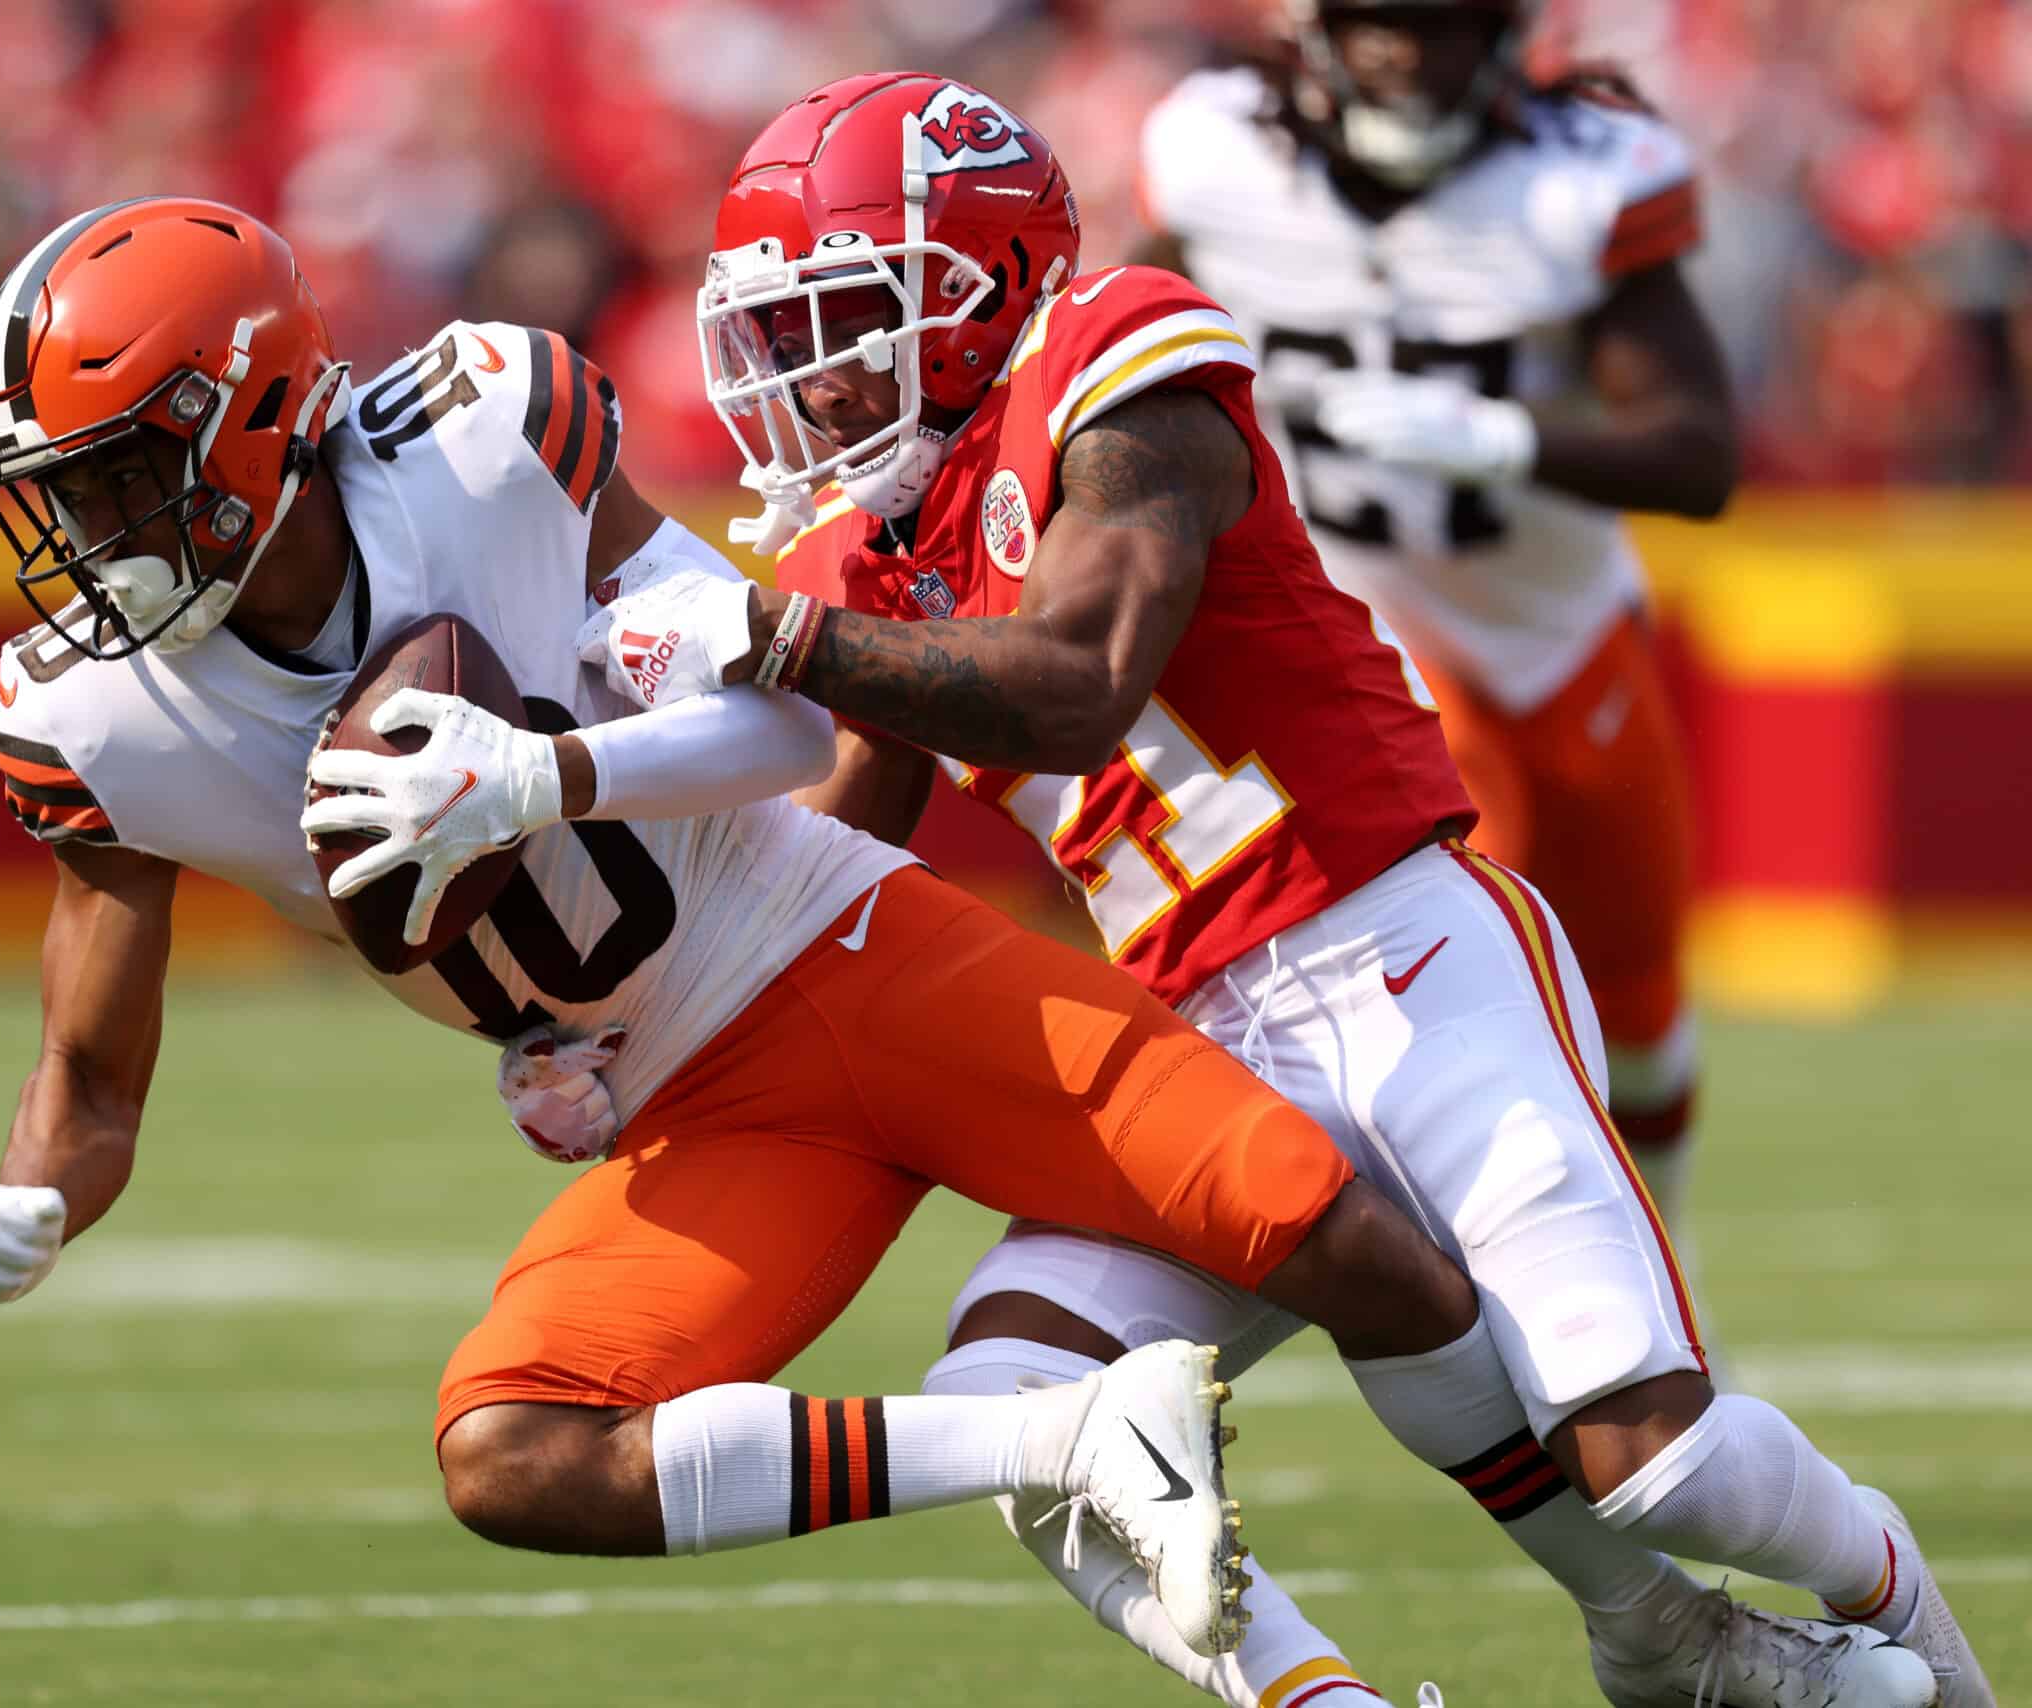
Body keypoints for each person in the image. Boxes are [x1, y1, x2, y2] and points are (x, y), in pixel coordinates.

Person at [579, 70, 1977, 1708]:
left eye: (842, 317)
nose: (809, 385)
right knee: (1038, 1421)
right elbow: (817, 875)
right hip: (1195, 1034)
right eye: (786, 333)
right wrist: (605, 1011)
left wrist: (776, 638)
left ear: (969, 288)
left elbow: (1081, 678)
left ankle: (1922, 1643)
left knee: (1654, 1461)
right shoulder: (856, 557)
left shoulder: (1117, 353)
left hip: (1401, 946)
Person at [0, 195, 1494, 1663]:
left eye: (118, 474)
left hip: (846, 951)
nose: (82, 527)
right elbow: (90, 1090)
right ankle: (1080, 1457)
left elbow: (778, 734)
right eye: (59, 485)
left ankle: (1649, 1611)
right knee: (513, 1451)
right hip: (682, 1107)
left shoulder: (476, 440)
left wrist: (546, 779)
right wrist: (34, 1196)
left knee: (1355, 1251)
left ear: (257, 416)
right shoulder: (91, 719)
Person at [1133, 0, 1722, 1264]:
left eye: (1443, 22)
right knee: (1474, 961)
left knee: (1644, 1013)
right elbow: (1111, 358)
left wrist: (1500, 439)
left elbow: (1699, 450)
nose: (1406, 49)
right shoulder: (1216, 152)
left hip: (1560, 627)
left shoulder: (1581, 178)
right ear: (1316, 30)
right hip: (1364, 621)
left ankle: (1654, 1260)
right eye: (1378, 19)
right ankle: (1514, 1296)